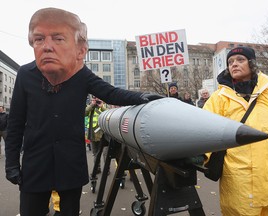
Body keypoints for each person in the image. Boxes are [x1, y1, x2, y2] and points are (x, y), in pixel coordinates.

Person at [4, 7, 162, 216]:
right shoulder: (26, 74)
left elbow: (111, 93)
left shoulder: (81, 74)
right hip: (36, 164)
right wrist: (12, 164)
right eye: (39, 39)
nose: (47, 46)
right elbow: (15, 123)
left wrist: (141, 97)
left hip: (69, 163)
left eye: (58, 39)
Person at [203, 46, 268, 215]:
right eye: (230, 62)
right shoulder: (219, 99)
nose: (234, 64)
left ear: (252, 64)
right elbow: (204, 133)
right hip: (239, 184)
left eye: (240, 60)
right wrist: (201, 157)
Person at [85, 96, 107, 174]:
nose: (97, 100)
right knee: (95, 154)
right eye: (95, 98)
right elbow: (84, 113)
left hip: (104, 135)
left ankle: (106, 170)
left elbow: (109, 115)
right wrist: (91, 105)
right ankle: (97, 168)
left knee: (106, 154)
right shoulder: (90, 107)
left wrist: (102, 107)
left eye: (98, 98)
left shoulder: (104, 106)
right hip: (93, 135)